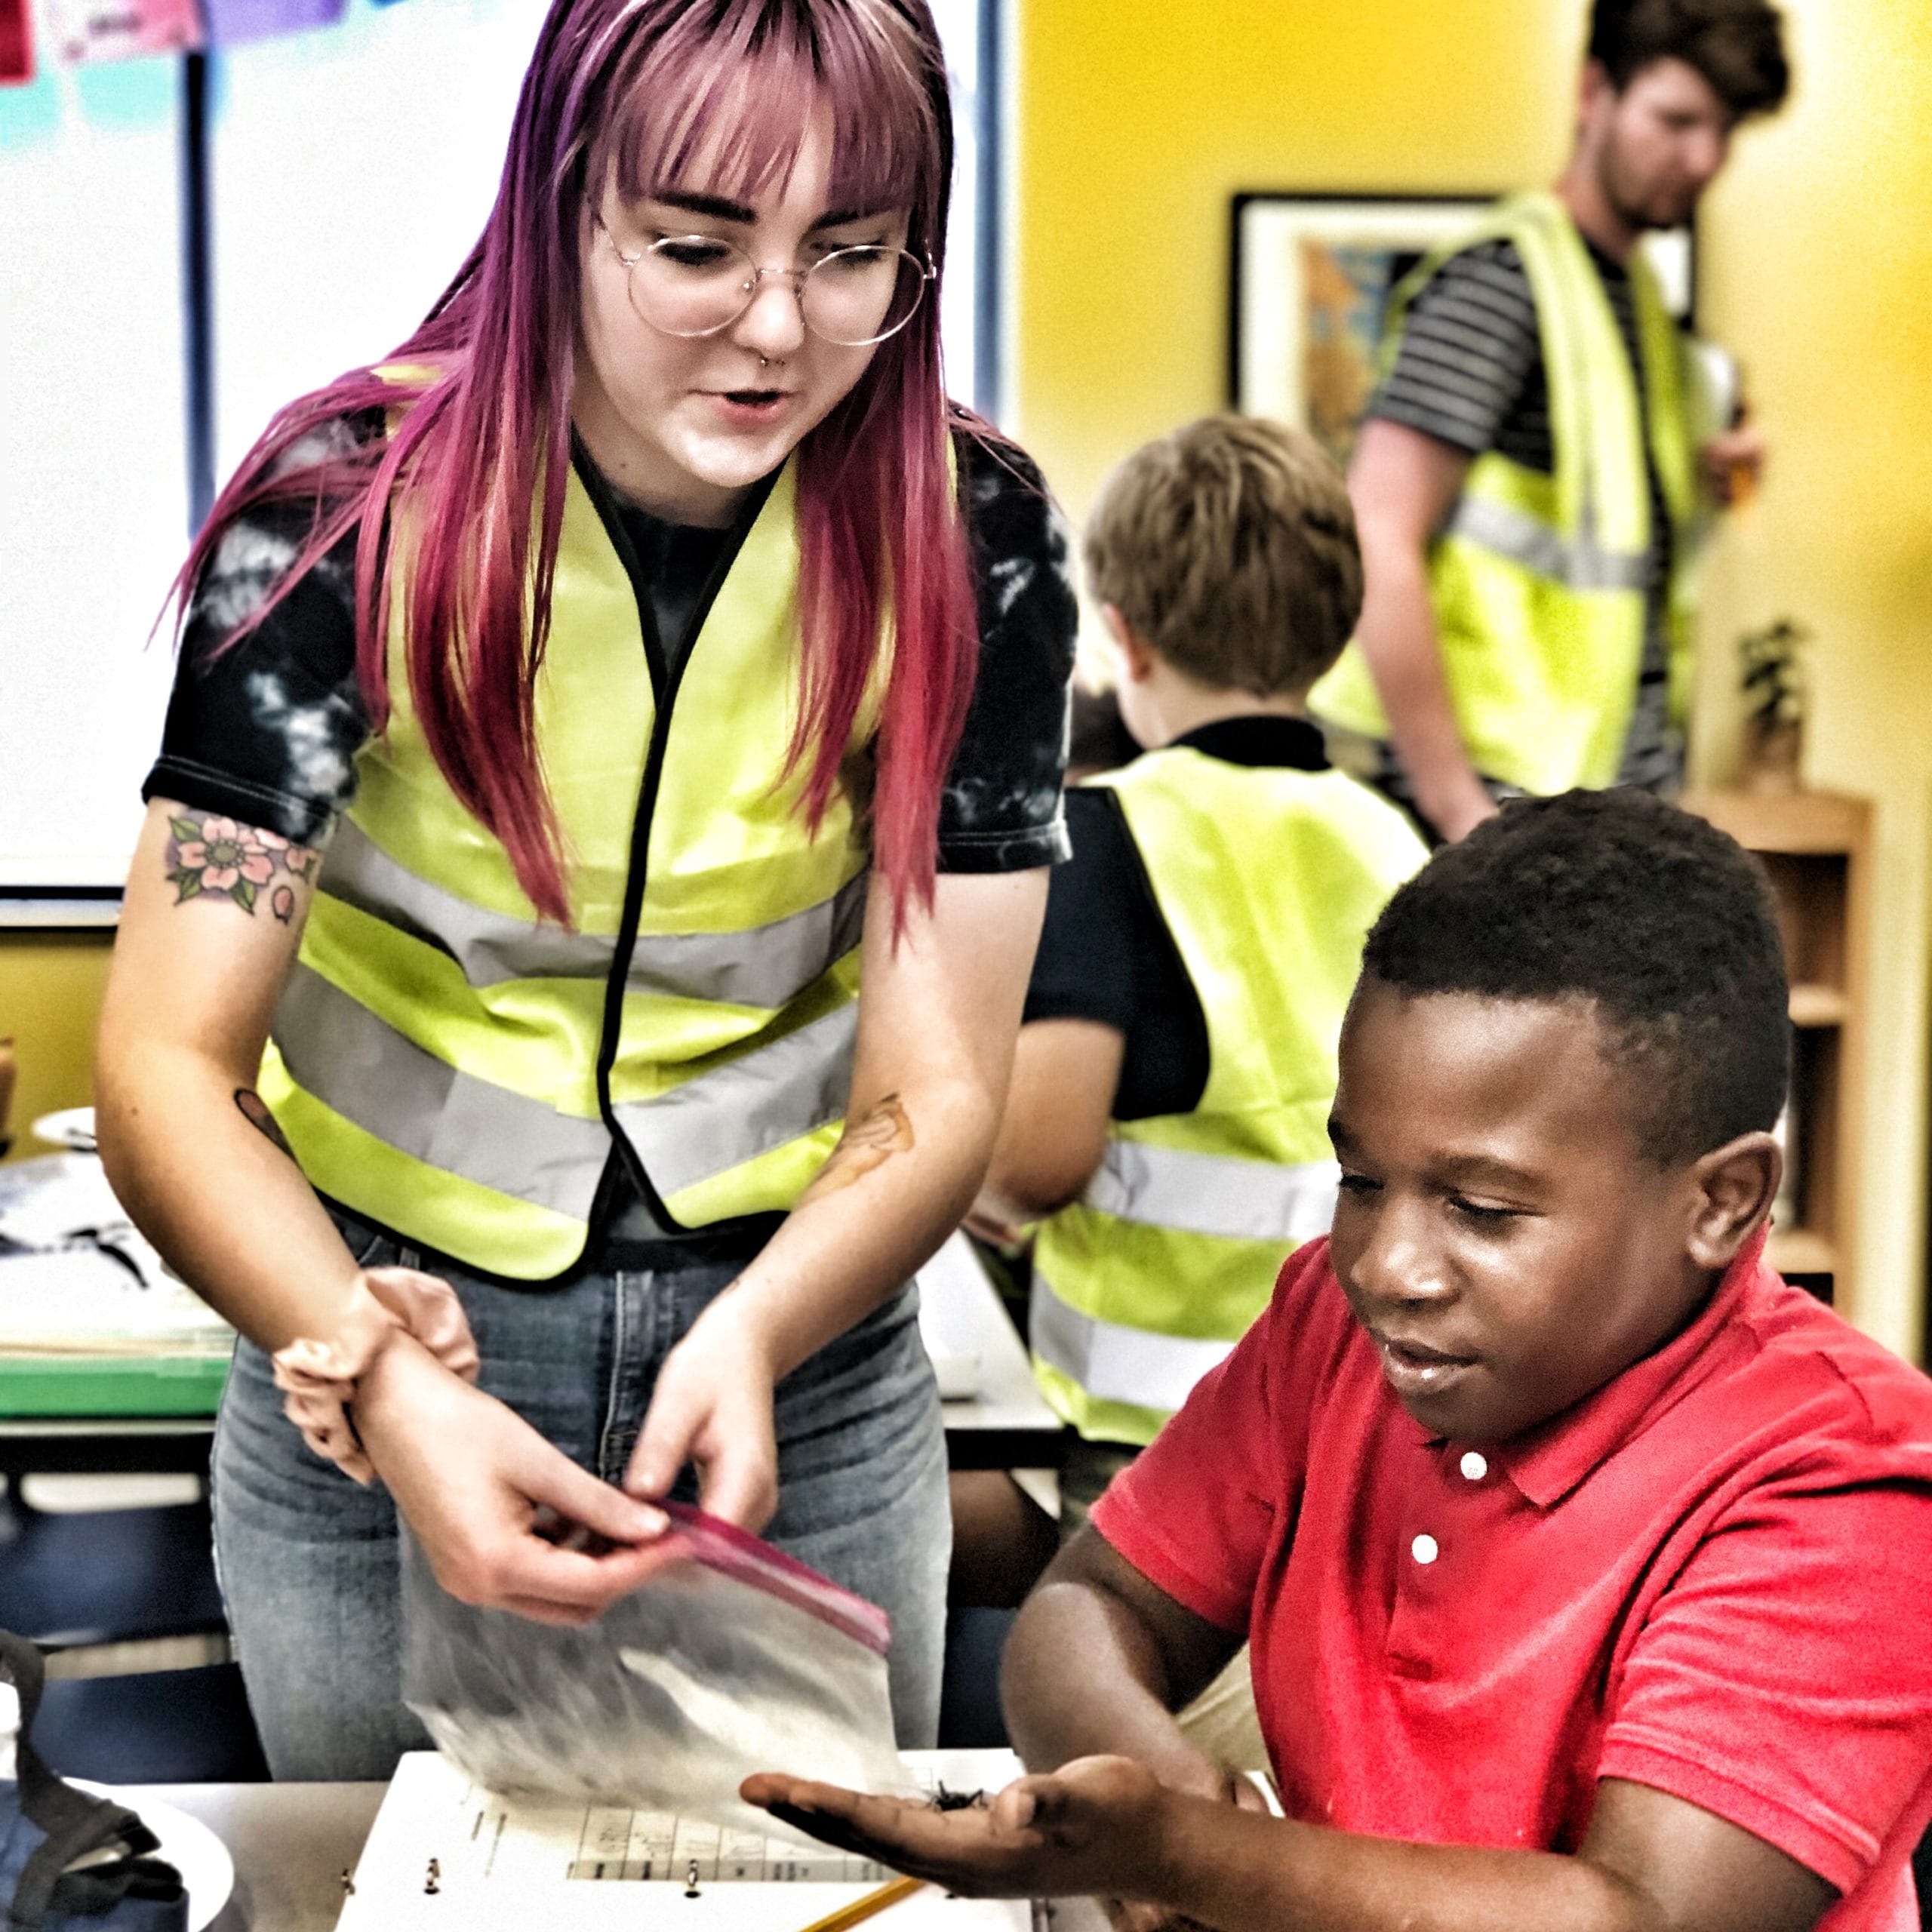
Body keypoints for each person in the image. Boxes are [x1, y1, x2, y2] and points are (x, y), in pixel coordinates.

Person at [93, 0, 1076, 1780]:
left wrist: (763, 1325)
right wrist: (381, 1385)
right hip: (384, 1341)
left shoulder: (970, 533)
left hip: (809, 1354)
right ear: (560, 207)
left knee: (814, 1892)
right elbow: (163, 1064)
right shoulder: (344, 512)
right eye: (695, 248)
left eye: (850, 256)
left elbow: (940, 1084)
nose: (774, 329)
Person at [746, 790, 1932, 1932]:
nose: (1387, 1264)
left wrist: (1192, 1856)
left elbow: (1646, 1914)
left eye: (1481, 1207)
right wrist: (1160, 1785)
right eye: (1362, 1181)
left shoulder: (1839, 1476)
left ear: (1722, 1202)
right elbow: (1093, 1603)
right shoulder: (1338, 1331)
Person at [972, 415, 1425, 1531]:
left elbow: (1037, 1162)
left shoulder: (1104, 834)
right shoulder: (1405, 848)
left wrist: (953, 1169)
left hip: (1148, 1468)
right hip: (1359, 1443)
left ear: (1121, 639)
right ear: (1335, 636)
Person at [1311, 0, 1790, 842]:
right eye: (1675, 120)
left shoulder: (1633, 304)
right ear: (1592, 92)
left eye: (1723, 130)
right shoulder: (1503, 286)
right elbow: (1375, 534)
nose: (1703, 158)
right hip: (1505, 822)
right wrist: (1459, 808)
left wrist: (1701, 484)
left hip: (1598, 816)